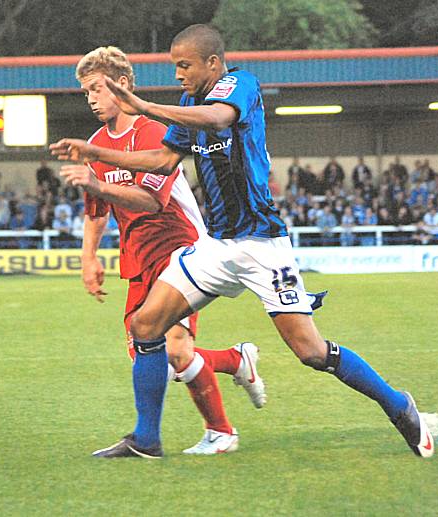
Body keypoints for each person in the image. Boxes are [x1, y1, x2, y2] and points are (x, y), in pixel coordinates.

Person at [50, 24, 433, 459]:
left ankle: (398, 404)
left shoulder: (240, 85)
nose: (178, 74)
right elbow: (161, 158)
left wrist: (140, 105)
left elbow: (217, 119)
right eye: (174, 65)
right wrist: (96, 153)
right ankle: (147, 439)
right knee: (146, 326)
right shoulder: (188, 104)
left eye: (185, 65)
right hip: (217, 246)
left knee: (310, 351)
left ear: (212, 63)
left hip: (262, 245)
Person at [57, 45, 326, 457]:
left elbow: (151, 200)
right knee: (147, 347)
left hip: (180, 245)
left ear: (122, 85)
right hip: (138, 256)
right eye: (86, 92)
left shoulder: (153, 130)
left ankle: (213, 430)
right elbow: (97, 207)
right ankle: (234, 365)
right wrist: (88, 257)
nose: (91, 99)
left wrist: (95, 181)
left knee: (175, 349)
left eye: (97, 89)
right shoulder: (95, 141)